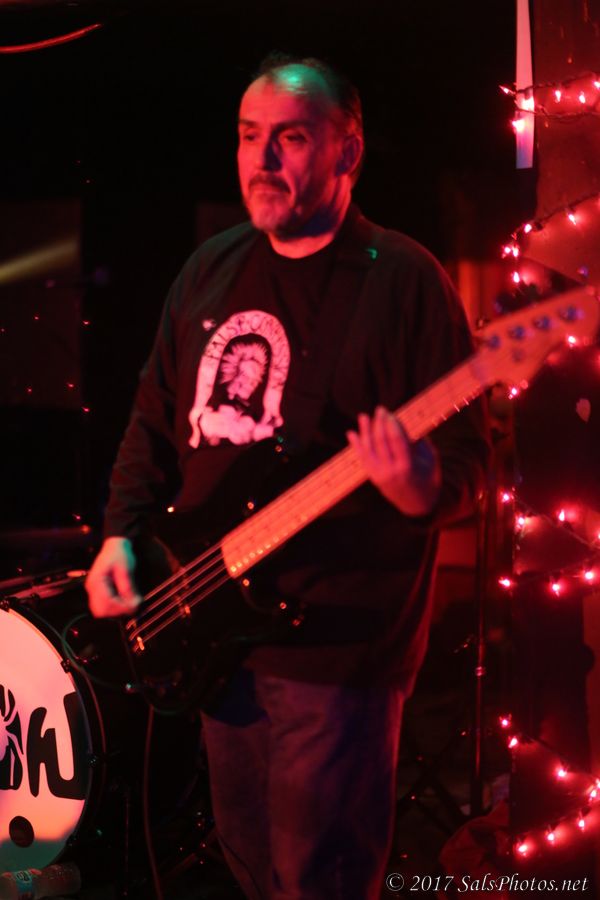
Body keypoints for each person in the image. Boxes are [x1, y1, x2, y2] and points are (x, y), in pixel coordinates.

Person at [86, 54, 489, 900]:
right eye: (248, 137)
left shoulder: (404, 280)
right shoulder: (209, 267)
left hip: (338, 648)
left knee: (318, 881)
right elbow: (154, 417)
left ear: (348, 152)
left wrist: (418, 486)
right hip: (211, 625)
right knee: (248, 869)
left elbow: (465, 467)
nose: (261, 159)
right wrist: (120, 533)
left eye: (291, 138)